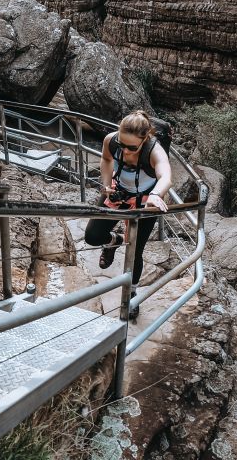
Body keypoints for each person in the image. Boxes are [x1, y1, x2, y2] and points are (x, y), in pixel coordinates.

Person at [85, 110, 172, 319]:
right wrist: (106, 184)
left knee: (135, 251)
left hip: (144, 201)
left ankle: (131, 294)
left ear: (145, 140)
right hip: (118, 193)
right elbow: (106, 159)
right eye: (122, 144)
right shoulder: (111, 141)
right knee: (92, 236)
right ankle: (115, 240)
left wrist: (155, 195)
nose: (125, 151)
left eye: (132, 148)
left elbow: (166, 175)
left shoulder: (154, 151)